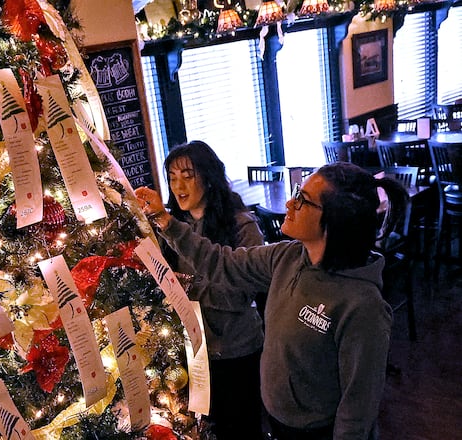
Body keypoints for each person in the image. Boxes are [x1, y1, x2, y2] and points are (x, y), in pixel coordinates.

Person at [135, 161, 409, 440]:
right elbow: (222, 262)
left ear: (334, 218)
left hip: (318, 432)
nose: (290, 203)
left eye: (303, 199)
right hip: (278, 424)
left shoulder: (363, 305)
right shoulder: (286, 256)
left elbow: (358, 406)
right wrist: (165, 221)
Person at [145, 141, 266, 439]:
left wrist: (186, 288)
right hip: (195, 353)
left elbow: (239, 295)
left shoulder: (242, 226)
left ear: (209, 178)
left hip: (237, 350)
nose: (178, 185)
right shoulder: (173, 226)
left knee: (240, 430)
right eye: (172, 177)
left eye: (187, 175)